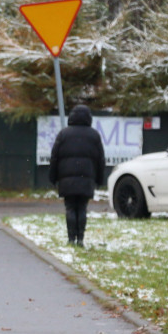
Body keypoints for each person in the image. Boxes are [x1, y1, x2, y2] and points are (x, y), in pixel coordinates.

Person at [48, 104, 106, 247]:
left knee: (70, 208)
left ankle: (71, 238)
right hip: (86, 179)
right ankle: (80, 238)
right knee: (82, 208)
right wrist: (99, 179)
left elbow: (54, 157)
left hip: (66, 180)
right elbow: (101, 160)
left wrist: (53, 177)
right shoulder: (94, 135)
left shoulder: (63, 134)